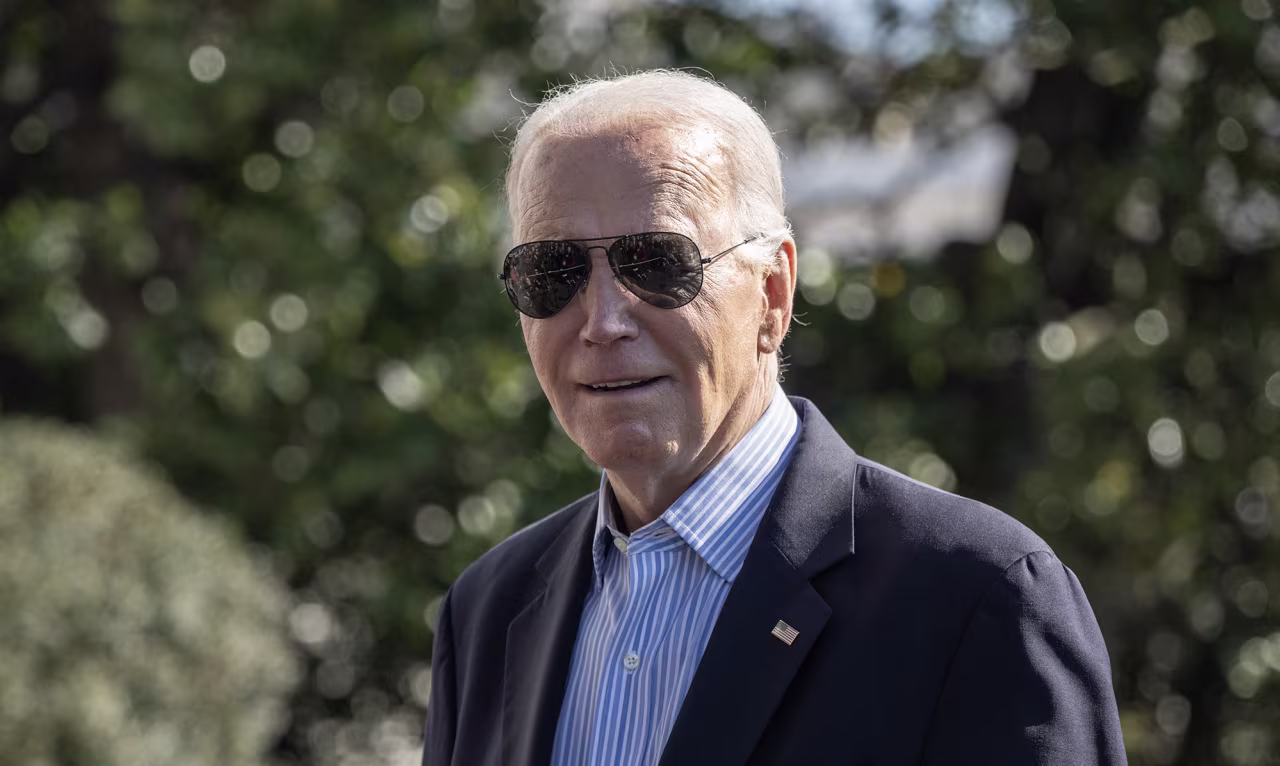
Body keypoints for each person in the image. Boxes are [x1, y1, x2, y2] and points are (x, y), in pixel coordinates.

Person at [421, 70, 1127, 766]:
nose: (603, 322)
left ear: (773, 293)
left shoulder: (976, 599)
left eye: (659, 264)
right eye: (553, 272)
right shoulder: (488, 612)